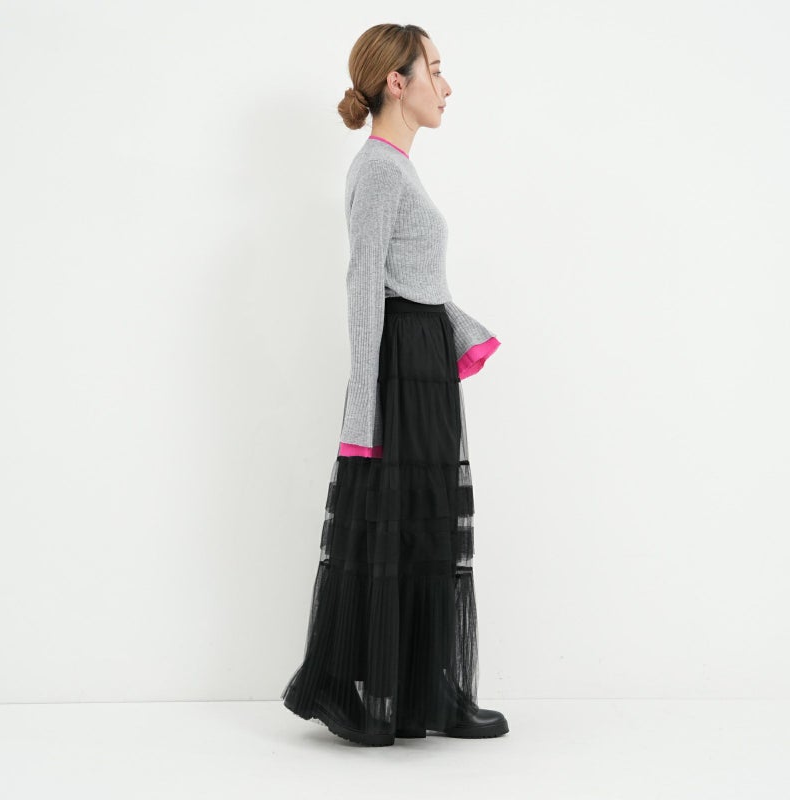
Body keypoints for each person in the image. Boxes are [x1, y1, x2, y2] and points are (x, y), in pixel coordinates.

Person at [281, 23, 508, 746]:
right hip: (400, 365)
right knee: (398, 520)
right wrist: (365, 398)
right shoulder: (379, 170)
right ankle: (363, 691)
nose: (447, 86)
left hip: (421, 357)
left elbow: (415, 278)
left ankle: (424, 690)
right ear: (396, 82)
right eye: (434, 70)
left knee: (425, 522)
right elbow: (364, 284)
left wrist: (457, 329)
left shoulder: (398, 169)